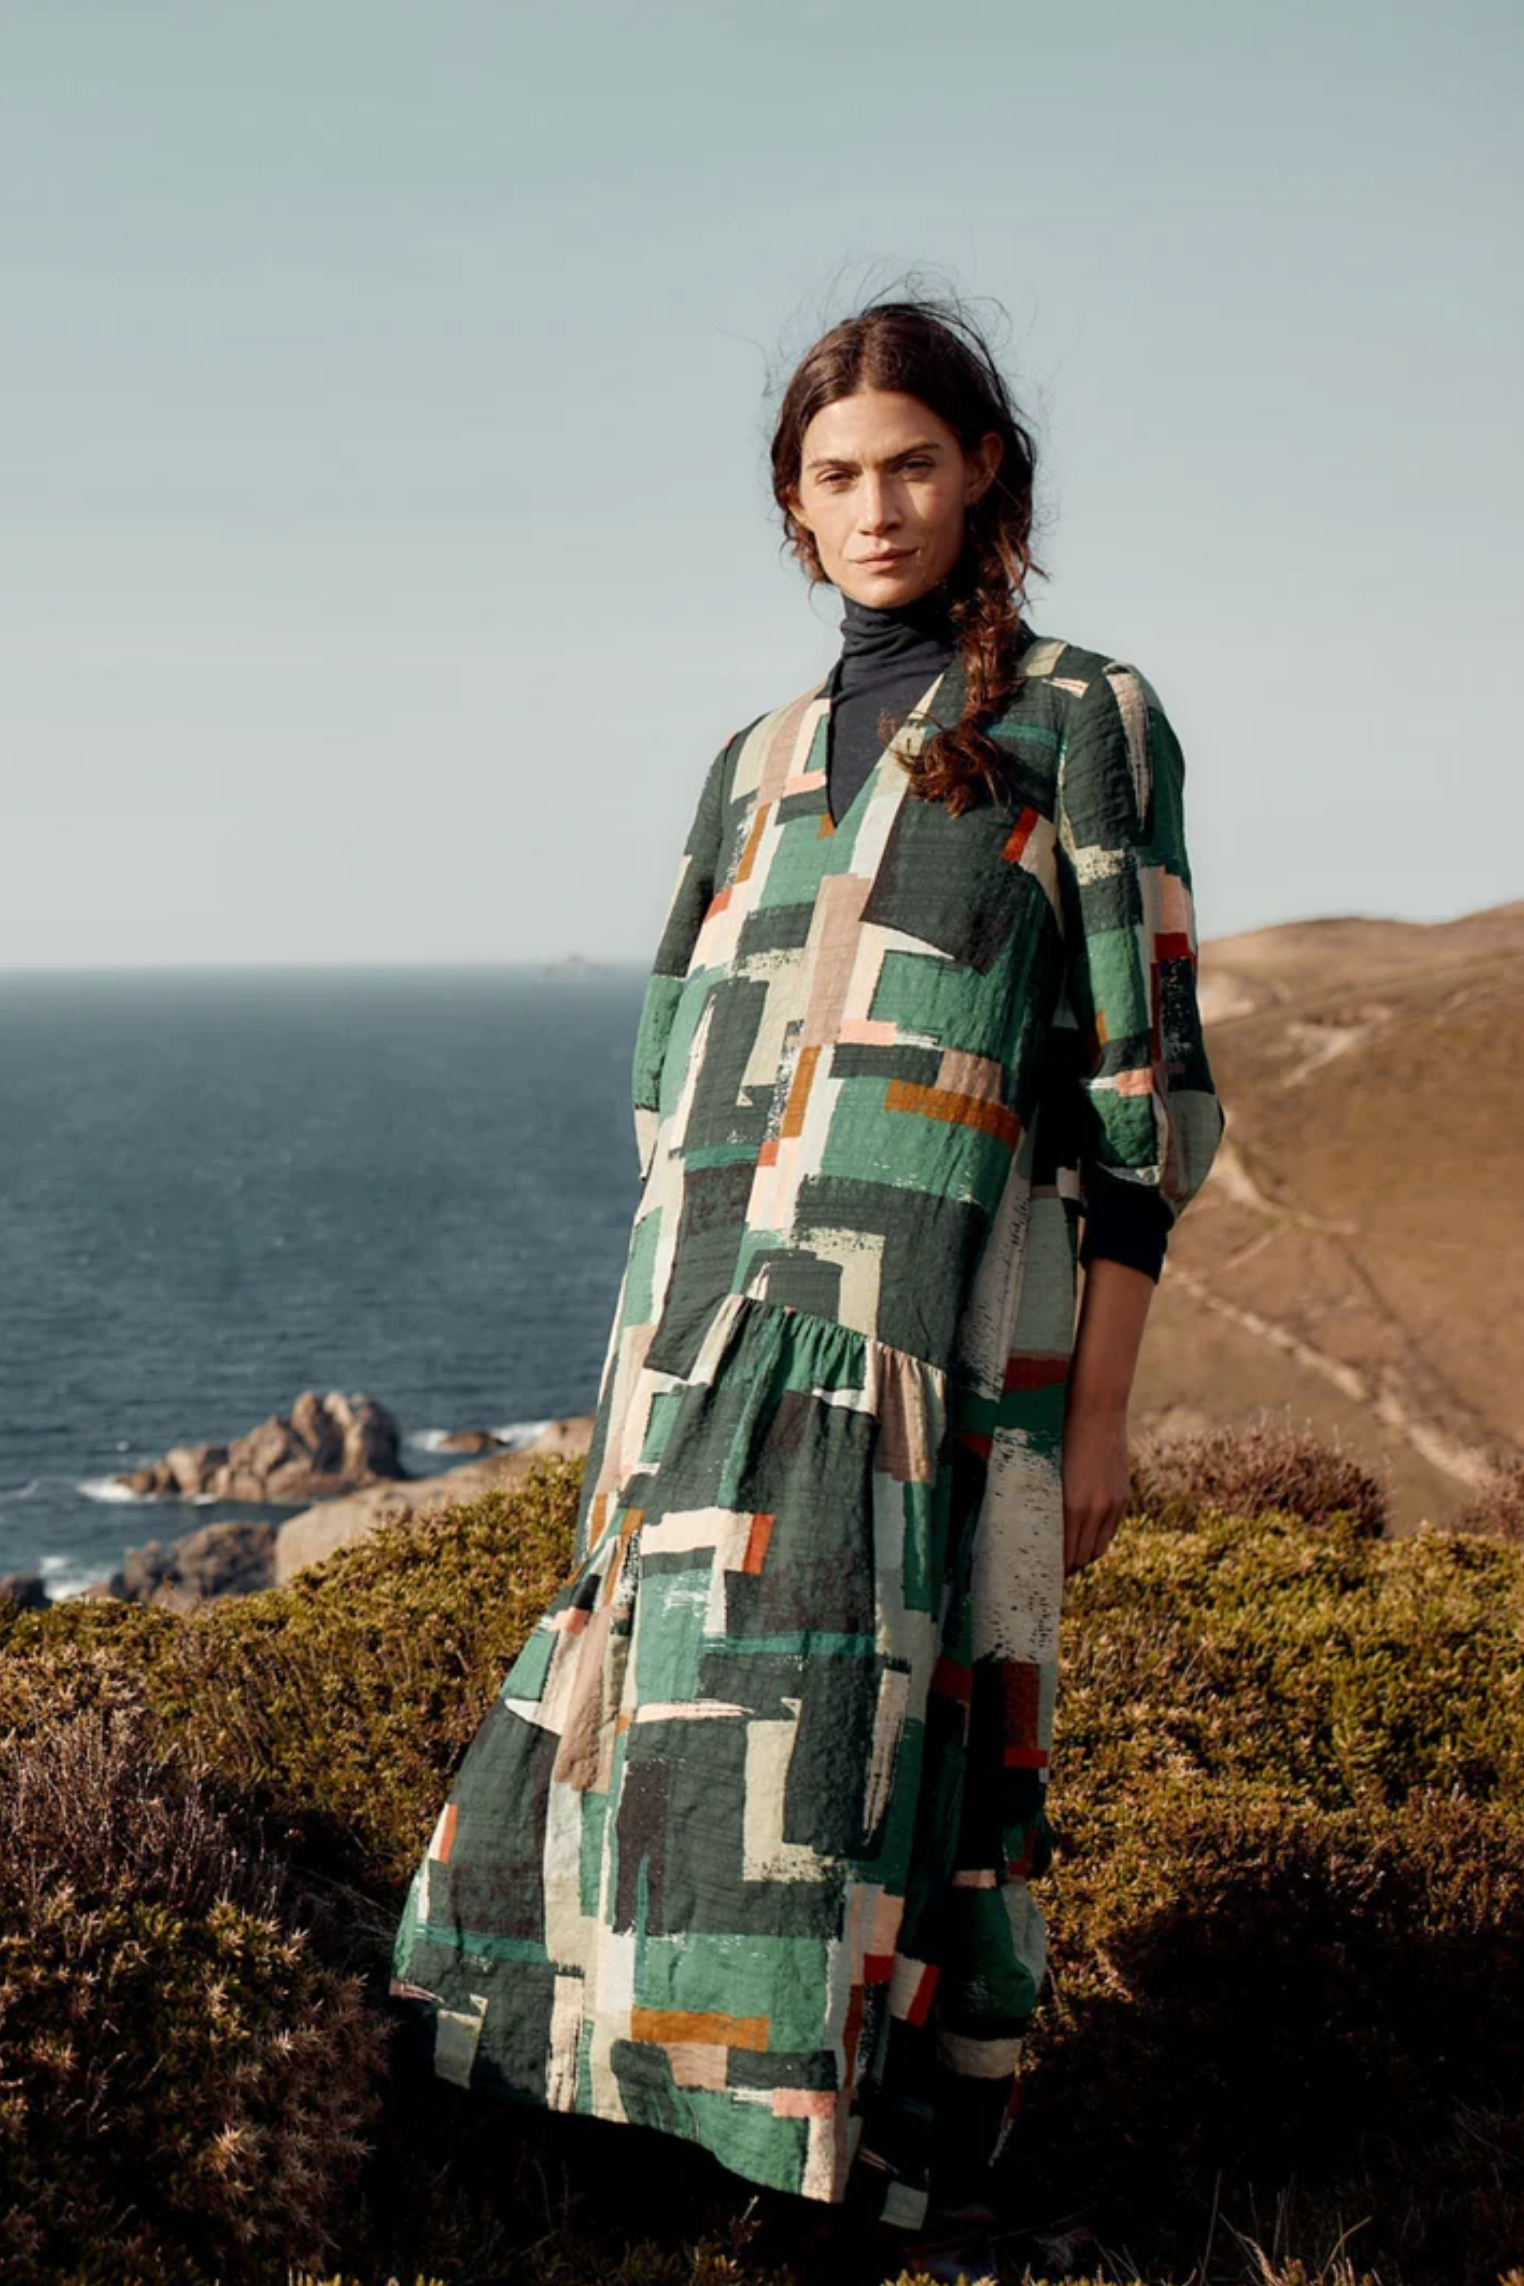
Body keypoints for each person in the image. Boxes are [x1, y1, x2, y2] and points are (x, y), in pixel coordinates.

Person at [390, 295, 1226, 2282]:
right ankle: (651, 2169)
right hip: (688, 1354)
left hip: (916, 1360)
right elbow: (666, 1079)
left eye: (914, 464)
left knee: (869, 1775)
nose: (878, 506)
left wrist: (1096, 1414)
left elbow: (1145, 1107)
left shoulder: (1080, 725)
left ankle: (852, 2206)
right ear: (793, 503)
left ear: (986, 472)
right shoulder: (751, 763)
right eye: (838, 475)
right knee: (643, 1766)